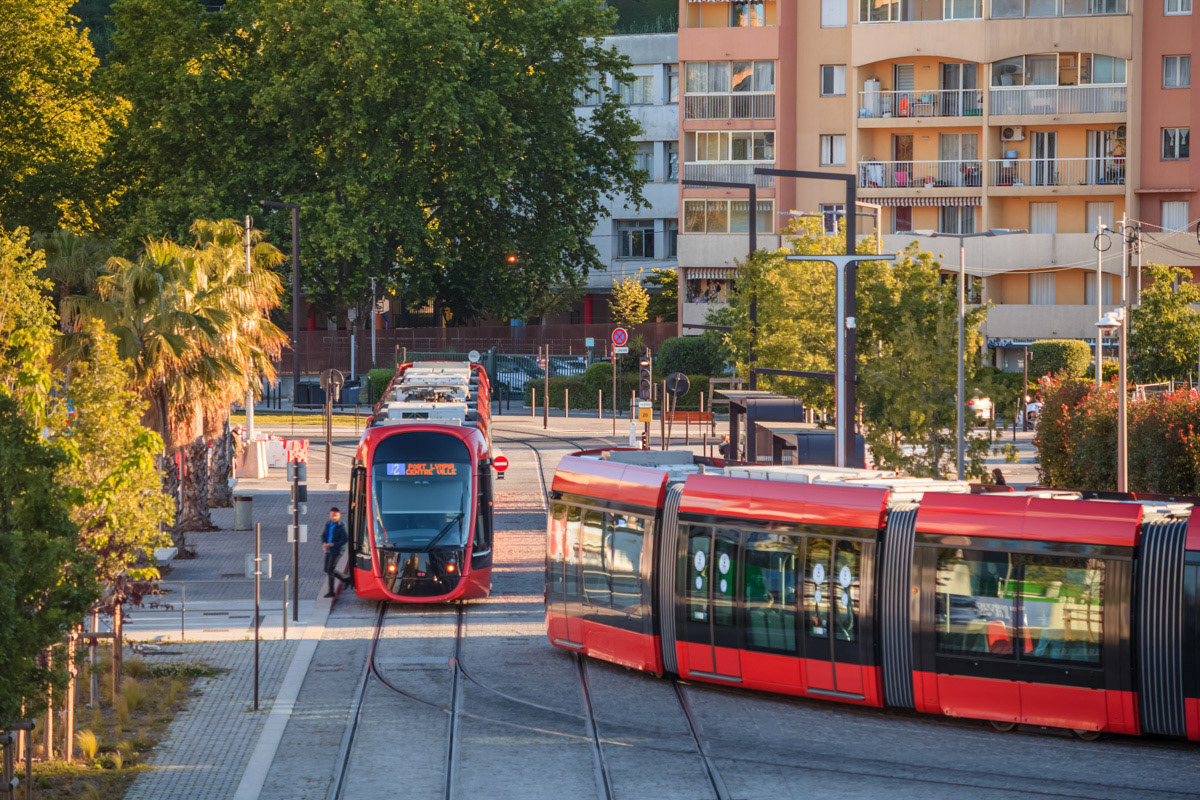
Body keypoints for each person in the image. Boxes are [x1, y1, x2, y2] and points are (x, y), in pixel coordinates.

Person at [322, 507, 349, 598]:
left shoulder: (341, 526)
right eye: (332, 515)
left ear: (339, 515)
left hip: (337, 551)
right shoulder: (328, 524)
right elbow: (324, 535)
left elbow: (344, 539)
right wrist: (324, 543)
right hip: (328, 550)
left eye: (336, 516)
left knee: (330, 570)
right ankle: (346, 579)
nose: (334, 518)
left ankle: (331, 591)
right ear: (330, 515)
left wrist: (333, 544)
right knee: (327, 569)